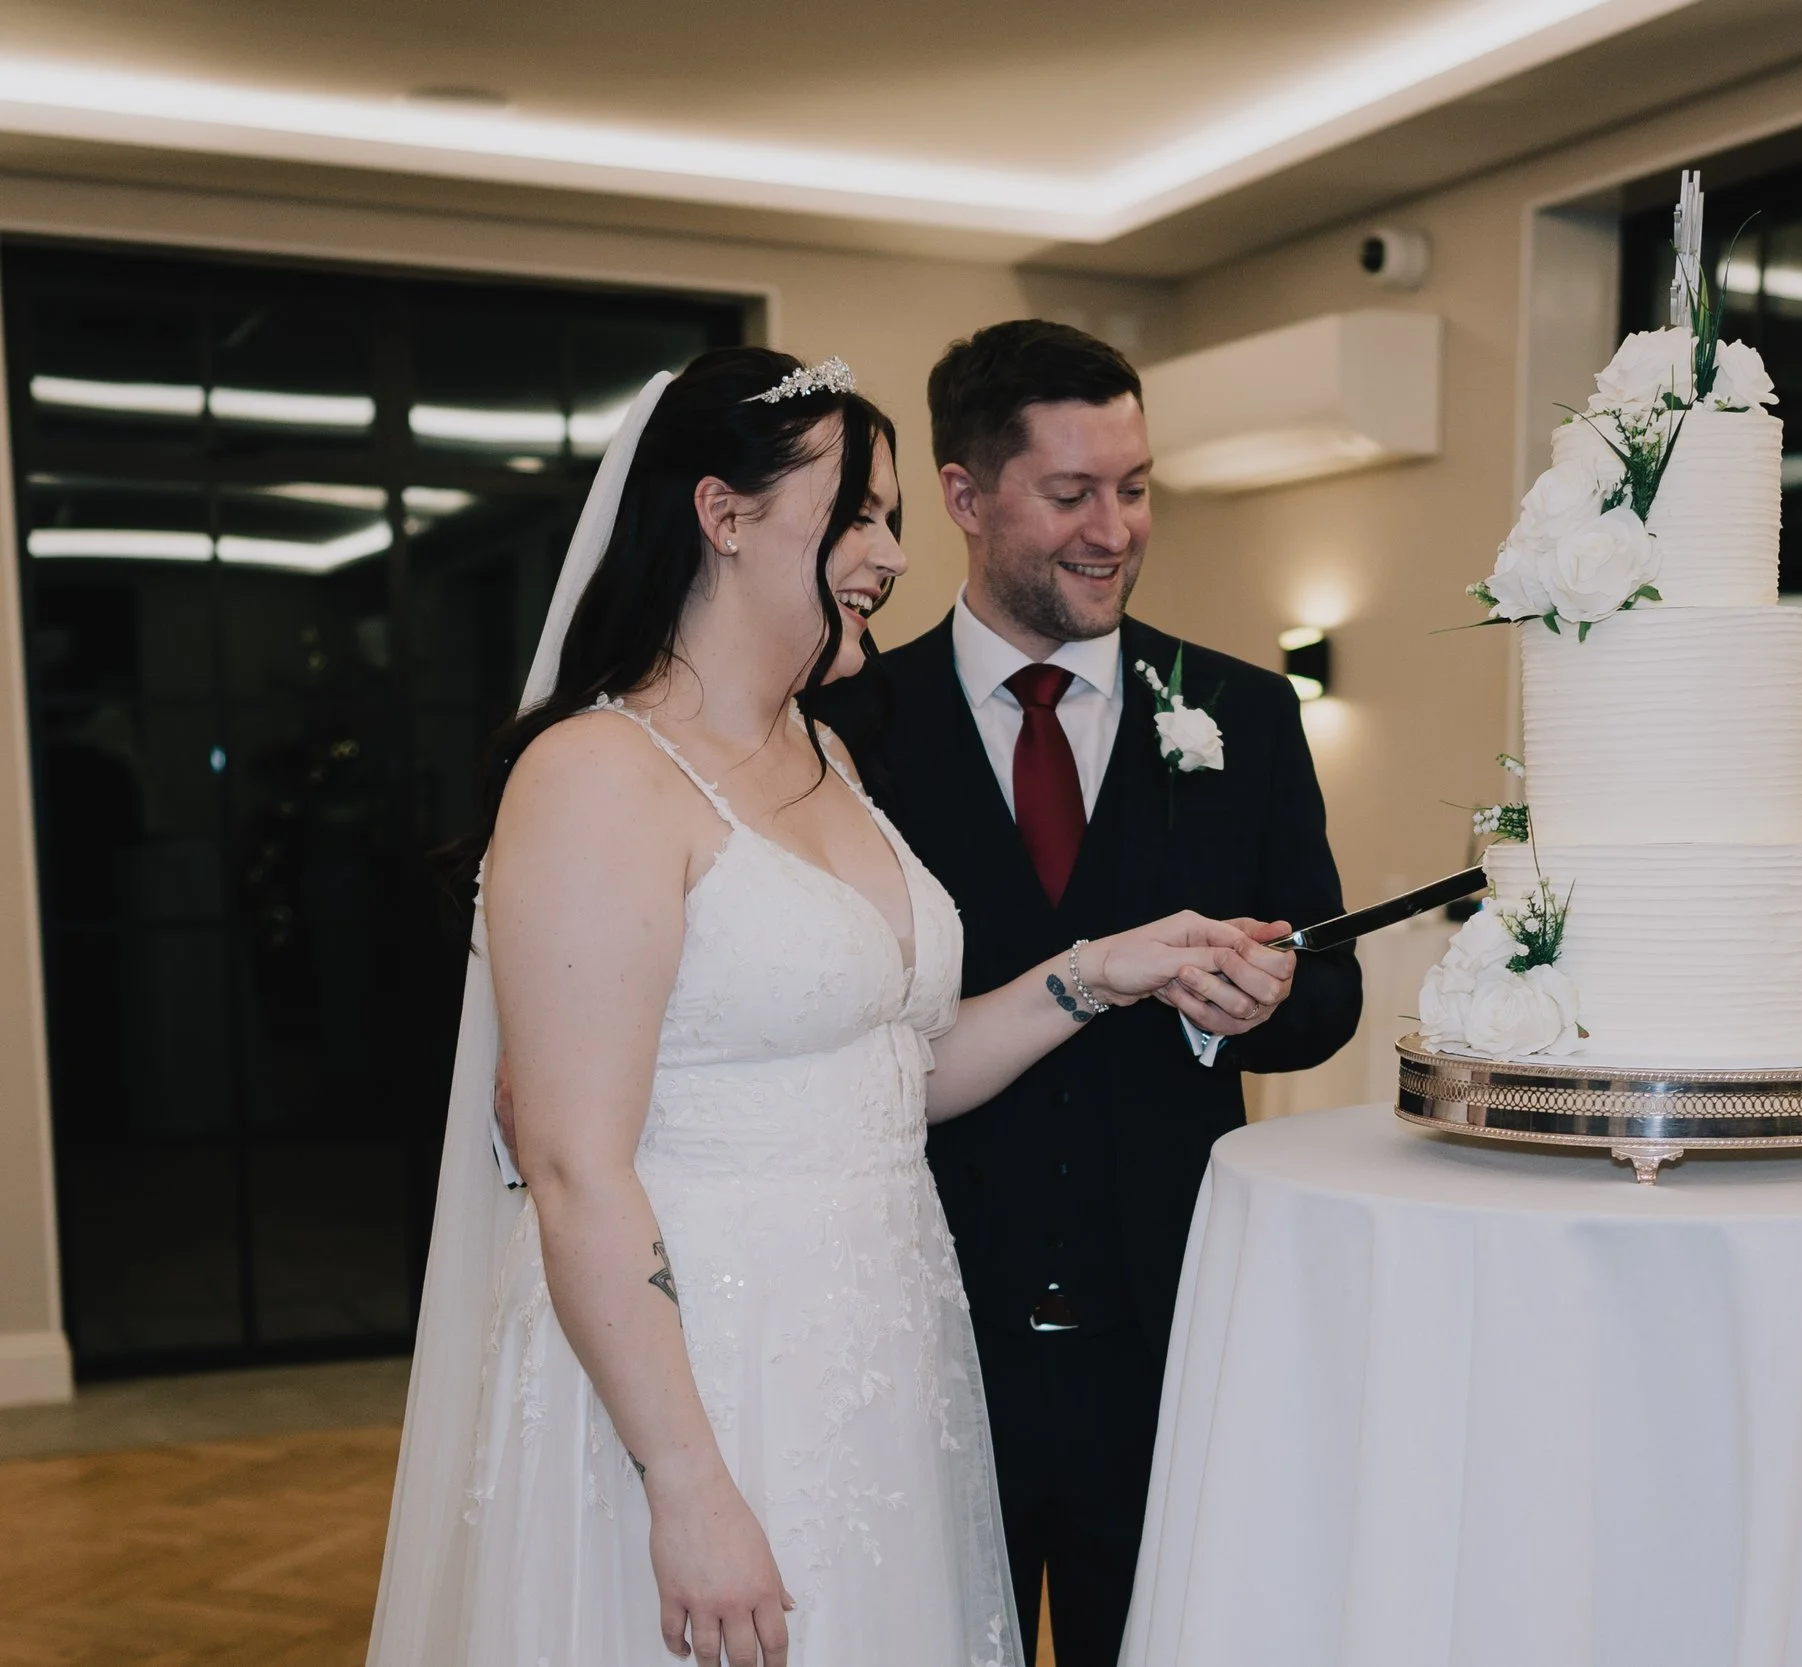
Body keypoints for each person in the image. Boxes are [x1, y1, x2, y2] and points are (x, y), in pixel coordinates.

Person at [367, 347, 1296, 1667]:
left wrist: (1100, 970)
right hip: (702, 1365)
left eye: (895, 519)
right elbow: (575, 1165)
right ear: (724, 515)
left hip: (878, 1354)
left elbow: (890, 1074)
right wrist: (684, 1479)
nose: (891, 553)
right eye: (858, 513)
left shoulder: (827, 749)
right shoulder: (595, 774)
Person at [820, 321, 1363, 1667]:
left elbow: (1332, 988)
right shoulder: (849, 732)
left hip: (1169, 1326)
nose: (1113, 527)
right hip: (934, 1325)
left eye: (1135, 485)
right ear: (963, 494)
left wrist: (1250, 999)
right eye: (1071, 493)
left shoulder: (1245, 711)